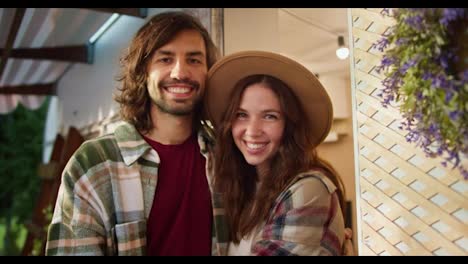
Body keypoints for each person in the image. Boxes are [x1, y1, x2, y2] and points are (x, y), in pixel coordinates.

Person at [45, 11, 219, 256]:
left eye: (194, 60)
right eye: (165, 59)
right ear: (143, 72)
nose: (180, 72)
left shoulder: (225, 157)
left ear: (208, 71)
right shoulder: (94, 164)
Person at [204, 50, 348, 256]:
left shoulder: (309, 189)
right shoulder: (242, 188)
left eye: (270, 116)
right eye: (241, 115)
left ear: (290, 125)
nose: (252, 131)